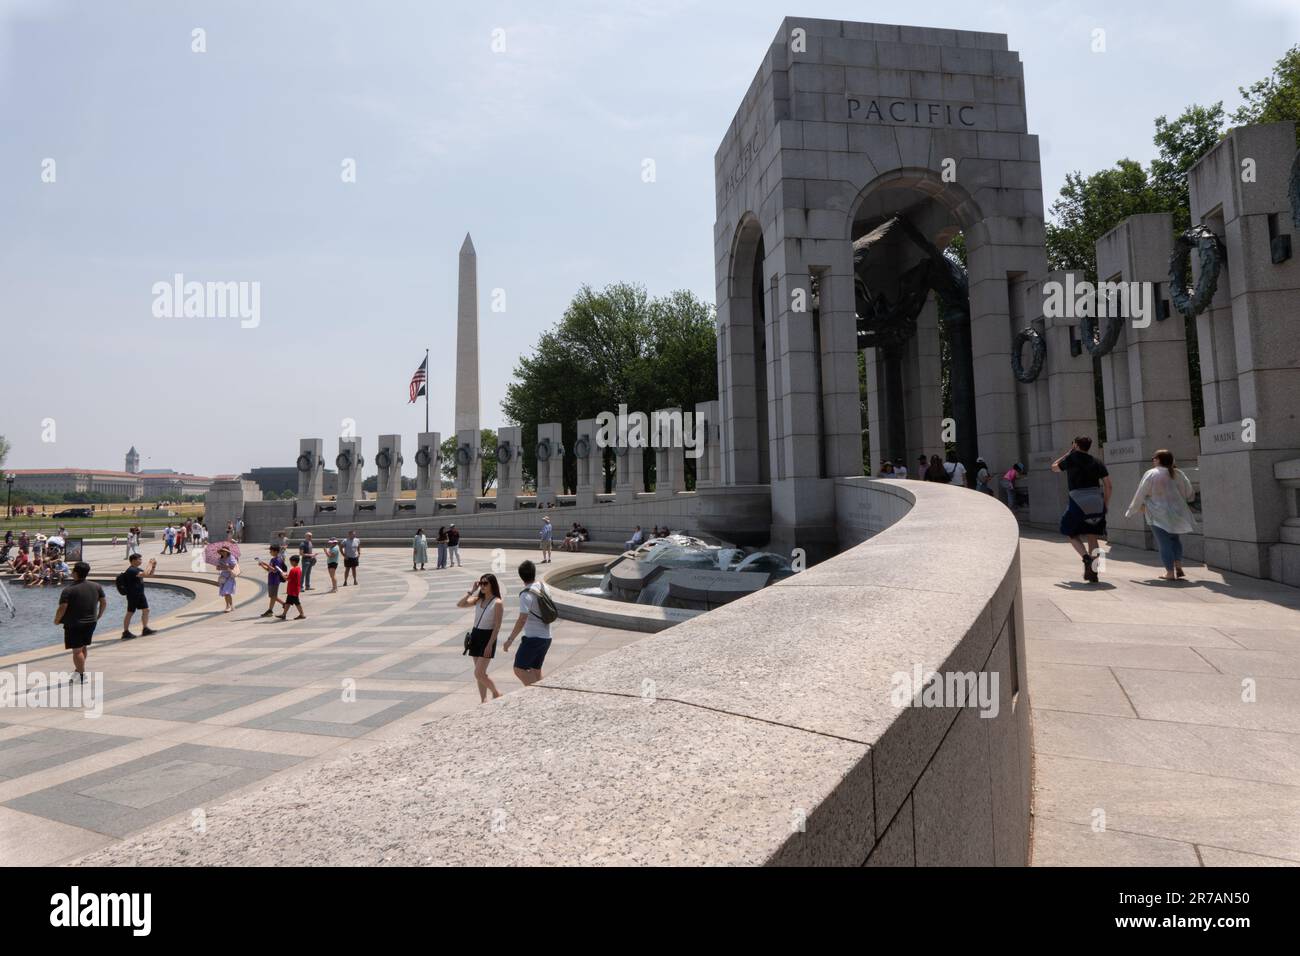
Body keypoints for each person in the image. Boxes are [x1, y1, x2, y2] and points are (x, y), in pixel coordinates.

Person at [1126, 449, 1197, 581]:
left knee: (1164, 543)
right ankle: (1178, 565)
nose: (1153, 460)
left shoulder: (1151, 474)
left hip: (1157, 513)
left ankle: (1169, 572)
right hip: (1177, 513)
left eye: (1154, 458)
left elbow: (1140, 493)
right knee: (1175, 540)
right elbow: (1189, 493)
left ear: (1159, 460)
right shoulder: (1179, 473)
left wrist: (1132, 510)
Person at [1052, 437, 1112, 583]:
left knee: (1070, 532)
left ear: (1076, 445)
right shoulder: (1097, 461)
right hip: (1096, 500)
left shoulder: (1071, 458)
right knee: (1093, 536)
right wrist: (1104, 504)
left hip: (1078, 501)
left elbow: (1054, 467)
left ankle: (1086, 558)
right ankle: (1095, 572)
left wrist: (1068, 453)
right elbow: (1108, 485)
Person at [503, 560, 553, 687]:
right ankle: (542, 695)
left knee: (519, 669)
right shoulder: (543, 587)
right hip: (547, 637)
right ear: (534, 573)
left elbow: (522, 619)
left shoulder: (525, 595)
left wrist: (510, 639)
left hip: (533, 639)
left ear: (521, 577)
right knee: (536, 670)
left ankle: (538, 693)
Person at [55, 561, 106, 683]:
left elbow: (62, 607)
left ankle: (82, 675)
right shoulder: (96, 586)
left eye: (73, 571)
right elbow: (103, 602)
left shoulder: (68, 590)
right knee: (83, 647)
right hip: (91, 622)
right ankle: (78, 671)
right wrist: (98, 615)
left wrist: (57, 620)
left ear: (75, 573)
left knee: (77, 651)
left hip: (74, 624)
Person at [457, 572, 504, 703]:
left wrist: (490, 644)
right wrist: (471, 591)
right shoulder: (478, 599)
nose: (482, 586)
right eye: (481, 583)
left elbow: (497, 626)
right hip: (476, 635)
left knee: (478, 673)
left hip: (487, 637)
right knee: (480, 674)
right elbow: (460, 604)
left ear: (492, 585)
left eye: (485, 583)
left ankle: (496, 693)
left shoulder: (498, 602)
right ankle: (483, 700)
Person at [119, 553, 157, 639]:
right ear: (133, 561)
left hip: (140, 593)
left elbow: (149, 574)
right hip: (133, 595)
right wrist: (150, 564)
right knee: (130, 612)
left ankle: (145, 628)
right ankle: (125, 632)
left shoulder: (137, 569)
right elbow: (145, 573)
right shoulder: (131, 570)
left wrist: (153, 566)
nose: (141, 561)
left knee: (146, 610)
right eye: (139, 559)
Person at [258, 545, 288, 617]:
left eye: (271, 551)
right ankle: (282, 604)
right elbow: (269, 570)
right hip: (271, 579)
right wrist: (262, 565)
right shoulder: (273, 559)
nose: (270, 552)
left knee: (273, 596)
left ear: (276, 551)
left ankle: (271, 610)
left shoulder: (277, 560)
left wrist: (266, 564)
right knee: (272, 596)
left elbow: (275, 570)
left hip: (275, 580)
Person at [278, 555, 306, 620]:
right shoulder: (298, 569)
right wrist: (287, 575)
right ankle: (284, 614)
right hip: (295, 589)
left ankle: (302, 614)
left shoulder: (293, 570)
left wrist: (282, 575)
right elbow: (293, 577)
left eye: (291, 561)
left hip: (292, 589)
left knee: (297, 603)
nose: (290, 563)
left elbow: (288, 579)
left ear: (294, 562)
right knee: (288, 602)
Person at [216, 545, 238, 611]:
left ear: (227, 552)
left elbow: (233, 566)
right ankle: (229, 606)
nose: (223, 552)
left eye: (224, 551)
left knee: (226, 592)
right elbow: (217, 568)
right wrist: (224, 567)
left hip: (230, 576)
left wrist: (225, 567)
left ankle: (229, 606)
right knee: (225, 592)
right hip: (223, 577)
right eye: (222, 551)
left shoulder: (231, 557)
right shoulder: (220, 559)